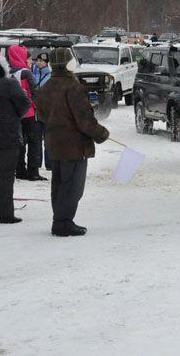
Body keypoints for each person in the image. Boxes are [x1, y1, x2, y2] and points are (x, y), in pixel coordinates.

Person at [36, 47, 110, 237]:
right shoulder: (73, 87)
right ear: (69, 64)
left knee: (59, 184)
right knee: (72, 187)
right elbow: (84, 120)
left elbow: (42, 115)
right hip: (74, 146)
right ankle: (63, 223)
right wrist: (101, 134)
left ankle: (59, 220)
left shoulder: (46, 86)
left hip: (54, 144)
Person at [0, 48, 31, 224]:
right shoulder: (9, 84)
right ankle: (5, 213)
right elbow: (25, 104)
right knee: (4, 176)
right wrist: (13, 117)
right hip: (6, 138)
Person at [7, 45, 46, 181]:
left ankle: (20, 170)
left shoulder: (8, 72)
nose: (31, 61)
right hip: (29, 114)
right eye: (29, 58)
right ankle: (33, 171)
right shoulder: (26, 73)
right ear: (22, 57)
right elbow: (35, 93)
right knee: (34, 143)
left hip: (15, 115)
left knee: (20, 143)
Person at [32, 51, 52, 171]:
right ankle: (37, 162)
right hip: (35, 112)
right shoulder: (33, 74)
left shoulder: (50, 76)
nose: (39, 63)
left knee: (48, 139)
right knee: (36, 139)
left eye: (41, 61)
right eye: (38, 61)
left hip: (47, 112)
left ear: (46, 63)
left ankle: (49, 164)